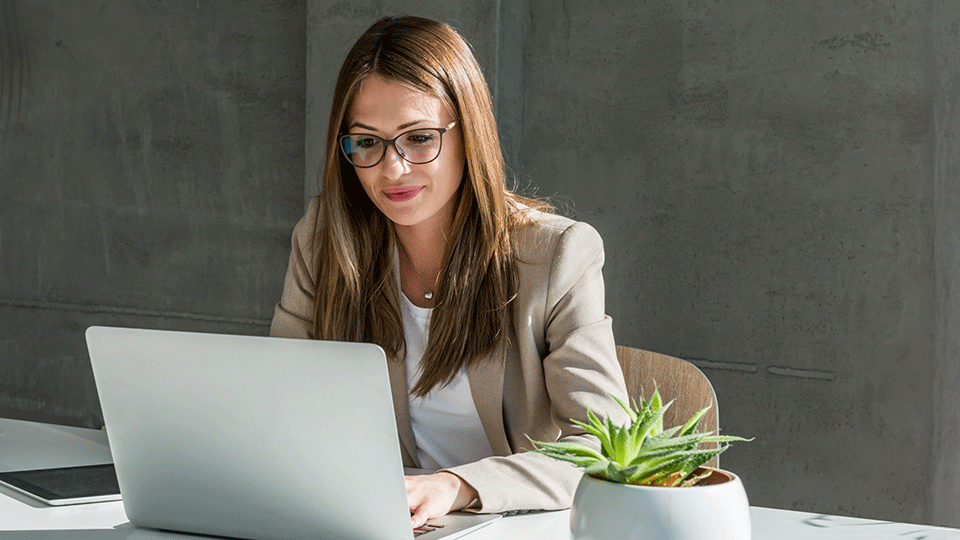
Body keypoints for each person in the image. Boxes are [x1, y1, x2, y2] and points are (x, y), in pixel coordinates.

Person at [270, 15, 630, 528]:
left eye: (418, 138)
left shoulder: (555, 256)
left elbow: (604, 447)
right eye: (367, 142)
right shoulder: (325, 238)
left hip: (513, 526)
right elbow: (278, 404)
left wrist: (458, 485)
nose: (392, 169)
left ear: (470, 132)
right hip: (369, 524)